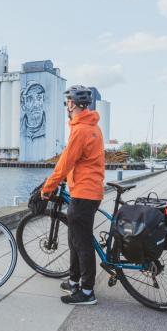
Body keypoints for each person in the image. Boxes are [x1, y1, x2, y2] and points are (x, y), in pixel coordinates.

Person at [41, 85, 105, 305]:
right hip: (90, 189)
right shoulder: (93, 127)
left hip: (84, 193)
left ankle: (87, 292)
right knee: (74, 239)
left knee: (82, 241)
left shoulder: (81, 131)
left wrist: (47, 187)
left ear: (72, 104)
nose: (66, 107)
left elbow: (65, 163)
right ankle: (74, 280)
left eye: (66, 102)